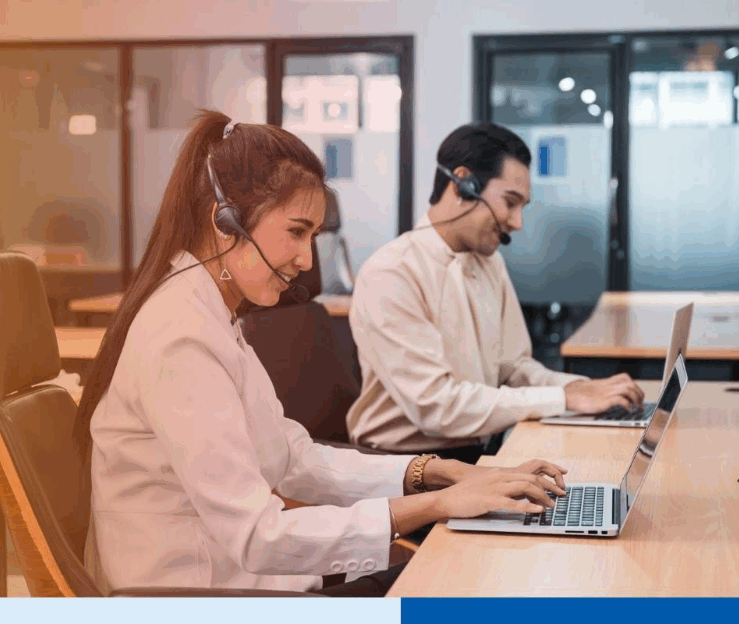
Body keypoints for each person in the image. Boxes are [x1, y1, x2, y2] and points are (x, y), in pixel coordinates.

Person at [75, 111, 569, 597]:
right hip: (205, 597)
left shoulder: (211, 314)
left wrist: (434, 473)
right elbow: (258, 535)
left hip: (255, 585)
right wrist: (438, 504)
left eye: (312, 236)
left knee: (476, 573)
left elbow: (294, 457)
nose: (306, 259)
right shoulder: (181, 335)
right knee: (474, 586)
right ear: (225, 223)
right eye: (296, 231)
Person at [346, 122, 644, 463]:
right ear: (463, 185)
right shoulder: (392, 272)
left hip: (482, 449)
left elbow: (513, 370)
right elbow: (437, 407)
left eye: (522, 207)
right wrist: (563, 400)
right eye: (510, 202)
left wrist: (574, 388)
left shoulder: (489, 263)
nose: (517, 223)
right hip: (409, 466)